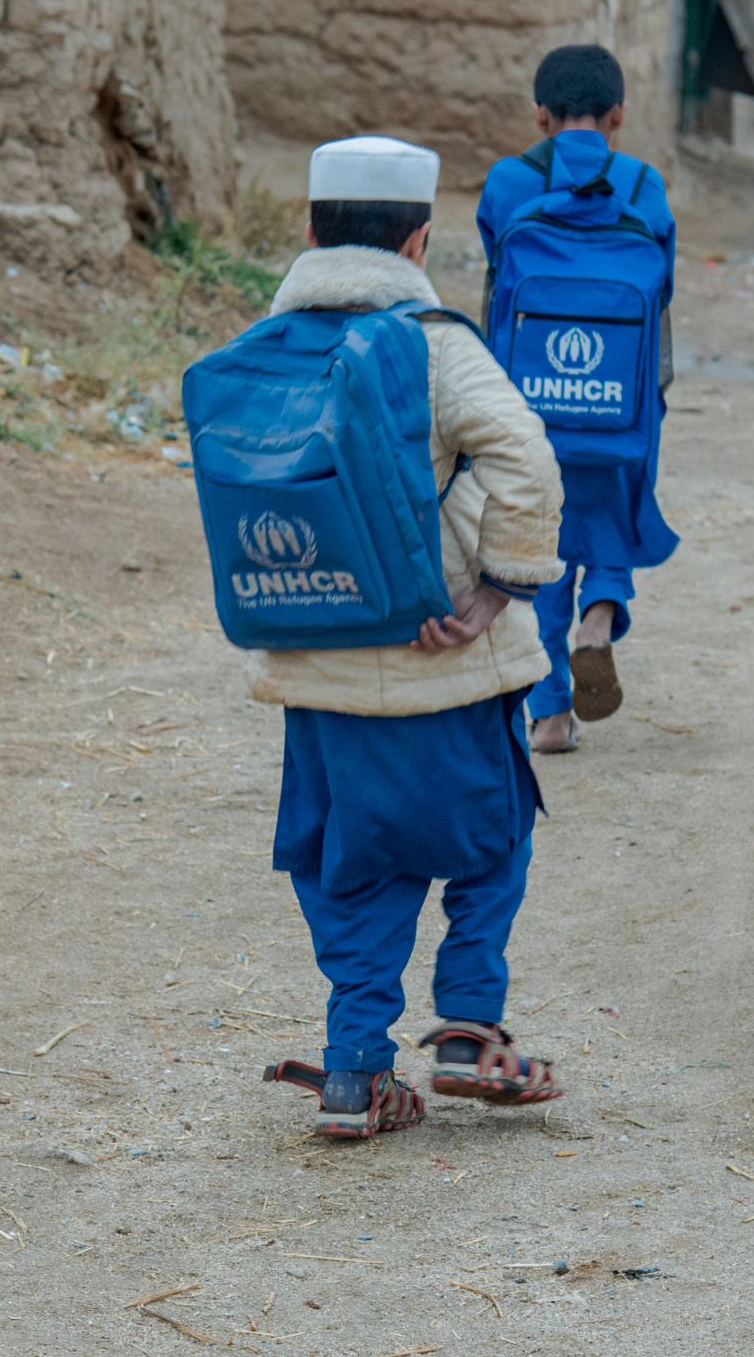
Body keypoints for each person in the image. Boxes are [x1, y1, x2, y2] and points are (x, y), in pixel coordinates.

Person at [247, 135, 568, 1140]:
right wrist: (496, 589)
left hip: (317, 669)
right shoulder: (430, 342)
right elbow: (521, 453)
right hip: (446, 667)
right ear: (419, 240)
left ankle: (355, 1074)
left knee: (349, 865)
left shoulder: (265, 348)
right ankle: (471, 1033)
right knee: (492, 844)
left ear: (309, 230)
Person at [477, 44, 678, 756]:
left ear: (539, 115)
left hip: (530, 404)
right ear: (618, 115)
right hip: (619, 400)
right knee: (611, 517)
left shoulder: (507, 183)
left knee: (542, 545)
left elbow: (496, 275)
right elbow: (661, 292)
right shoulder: (643, 185)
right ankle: (602, 615)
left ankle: (551, 715)